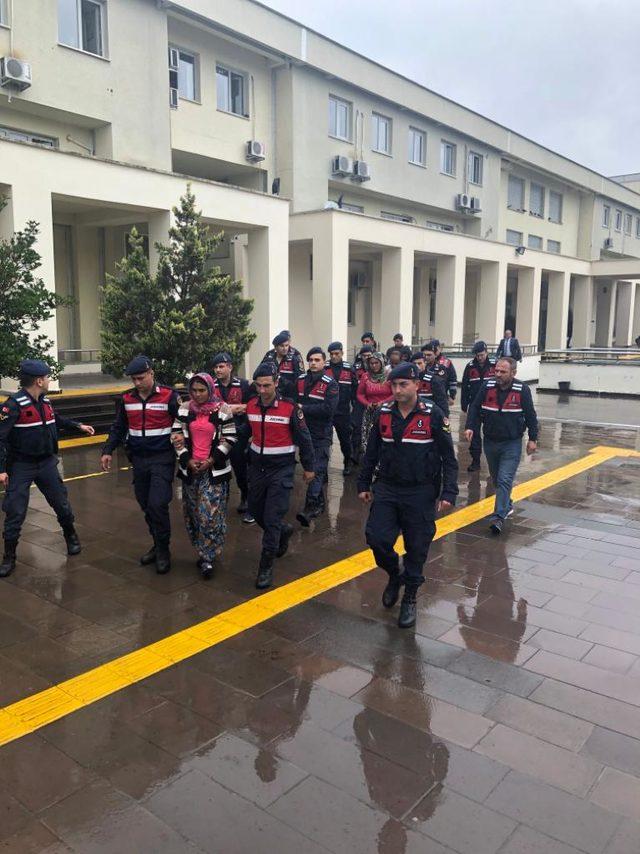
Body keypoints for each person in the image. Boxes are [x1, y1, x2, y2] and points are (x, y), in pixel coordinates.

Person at [357, 362, 458, 628]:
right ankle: (394, 573)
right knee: (376, 538)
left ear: (416, 385)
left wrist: (449, 491)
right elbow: (371, 453)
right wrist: (363, 483)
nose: (398, 390)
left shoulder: (433, 414)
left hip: (421, 491)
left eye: (403, 385)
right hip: (388, 488)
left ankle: (410, 596)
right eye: (394, 385)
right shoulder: (384, 413)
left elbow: (449, 457)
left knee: (416, 547)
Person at [0, 359, 95, 577]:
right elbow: (0, 438)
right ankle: (9, 557)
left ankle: (71, 536)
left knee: (61, 503)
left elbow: (56, 420)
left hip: (46, 464)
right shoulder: (12, 406)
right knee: (15, 510)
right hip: (22, 465)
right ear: (39, 380)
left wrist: (78, 425)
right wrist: (2, 469)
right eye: (48, 377)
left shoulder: (45, 401)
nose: (50, 380)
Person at [100, 355, 181, 574]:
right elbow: (118, 427)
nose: (137, 383)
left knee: (157, 503)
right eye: (134, 379)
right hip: (139, 459)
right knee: (145, 504)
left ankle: (164, 550)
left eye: (140, 378)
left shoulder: (169, 396)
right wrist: (107, 450)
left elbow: (182, 424)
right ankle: (156, 543)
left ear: (151, 373)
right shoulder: (127, 399)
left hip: (162, 458)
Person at [246, 362, 315, 589]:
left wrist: (308, 466)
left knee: (273, 516)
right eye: (259, 386)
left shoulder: (290, 408)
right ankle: (283, 532)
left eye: (267, 385)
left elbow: (304, 439)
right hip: (257, 468)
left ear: (276, 383)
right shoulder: (251, 406)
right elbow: (245, 431)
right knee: (256, 511)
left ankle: (265, 566)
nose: (263, 391)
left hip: (282, 469)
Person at [172, 373, 237, 578]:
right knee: (193, 514)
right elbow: (176, 437)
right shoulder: (184, 409)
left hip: (213, 471)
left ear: (210, 389)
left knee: (208, 514)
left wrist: (210, 461)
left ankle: (207, 556)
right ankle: (203, 547)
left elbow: (230, 438)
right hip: (191, 470)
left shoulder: (223, 410)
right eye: (194, 391)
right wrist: (187, 460)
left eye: (202, 390)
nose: (198, 395)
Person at [464, 356, 538, 535]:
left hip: (511, 443)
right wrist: (470, 427)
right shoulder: (487, 386)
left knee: (505, 479)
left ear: (513, 373)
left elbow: (531, 416)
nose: (498, 374)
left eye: (503, 372)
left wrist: (533, 439)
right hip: (490, 441)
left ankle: (498, 516)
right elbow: (474, 407)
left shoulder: (522, 390)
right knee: (497, 479)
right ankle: (507, 503)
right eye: (496, 370)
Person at [295, 347, 339, 526]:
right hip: (303, 432)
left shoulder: (330, 383)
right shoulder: (300, 380)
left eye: (317, 360)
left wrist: (303, 408)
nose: (313, 363)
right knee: (309, 466)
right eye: (310, 360)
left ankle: (310, 507)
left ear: (323, 362)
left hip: (321, 433)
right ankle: (319, 503)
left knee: (318, 469)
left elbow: (328, 410)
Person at [211, 352, 256, 524]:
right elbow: (209, 407)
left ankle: (246, 496)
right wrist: (234, 408)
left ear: (230, 367)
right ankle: (220, 502)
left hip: (238, 434)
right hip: (217, 434)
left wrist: (228, 409)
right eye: (215, 367)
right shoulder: (211, 386)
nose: (218, 370)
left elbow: (251, 407)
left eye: (221, 366)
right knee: (219, 467)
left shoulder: (243, 385)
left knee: (240, 469)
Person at [461, 341, 496, 472]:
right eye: (477, 355)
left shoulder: (494, 365)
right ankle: (475, 461)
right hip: (474, 405)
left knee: (491, 434)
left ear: (486, 352)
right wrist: (464, 405)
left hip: (490, 406)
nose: (479, 357)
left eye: (481, 354)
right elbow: (465, 386)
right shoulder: (470, 366)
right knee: (473, 434)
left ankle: (492, 461)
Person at [327, 341, 358, 476]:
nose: (334, 356)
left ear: (342, 353)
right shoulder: (324, 367)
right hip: (327, 410)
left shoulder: (349, 368)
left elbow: (355, 390)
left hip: (343, 411)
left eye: (336, 354)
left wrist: (354, 410)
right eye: (331, 354)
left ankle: (347, 462)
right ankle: (323, 467)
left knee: (345, 439)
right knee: (325, 440)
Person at [356, 351, 393, 455]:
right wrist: (367, 403)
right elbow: (360, 394)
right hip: (370, 412)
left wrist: (383, 403)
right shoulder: (365, 376)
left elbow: (395, 394)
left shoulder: (390, 375)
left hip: (387, 412)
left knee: (385, 439)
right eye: (371, 363)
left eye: (376, 363)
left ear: (382, 362)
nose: (374, 365)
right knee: (368, 440)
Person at [262, 331, 305, 398]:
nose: (285, 348)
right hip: (271, 394)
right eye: (282, 346)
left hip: (288, 394)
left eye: (286, 345)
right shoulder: (269, 355)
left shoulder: (295, 356)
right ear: (275, 347)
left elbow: (300, 378)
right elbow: (261, 371)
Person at [351, 343, 374, 463]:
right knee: (357, 427)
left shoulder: (377, 366)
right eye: (364, 355)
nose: (367, 358)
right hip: (359, 402)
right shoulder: (356, 367)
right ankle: (355, 452)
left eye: (369, 355)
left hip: (374, 402)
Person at [410, 352, 449, 416]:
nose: (417, 366)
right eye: (414, 364)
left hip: (430, 417)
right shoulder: (408, 380)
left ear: (425, 363)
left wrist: (444, 419)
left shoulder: (434, 380)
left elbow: (442, 403)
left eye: (419, 363)